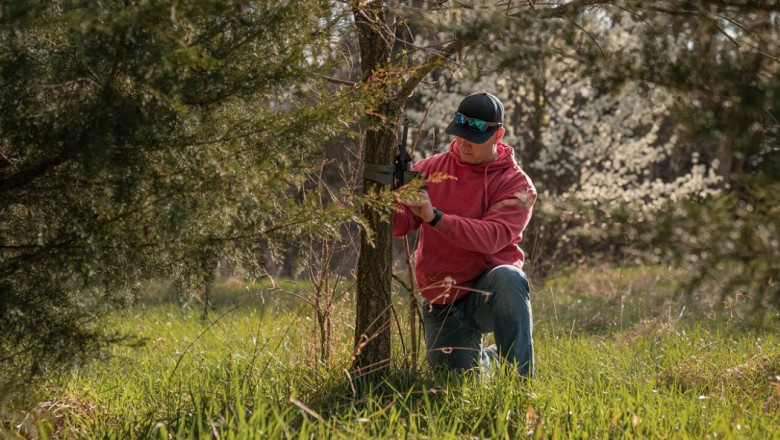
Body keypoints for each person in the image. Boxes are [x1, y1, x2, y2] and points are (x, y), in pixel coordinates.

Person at [393, 92, 537, 377]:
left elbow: (492, 237)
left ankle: (520, 382)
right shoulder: (428, 170)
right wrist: (388, 197)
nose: (463, 142)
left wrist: (435, 217)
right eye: (459, 134)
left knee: (510, 277)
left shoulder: (517, 185)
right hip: (442, 299)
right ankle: (488, 359)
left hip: (488, 292)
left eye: (474, 138)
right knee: (454, 383)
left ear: (498, 135)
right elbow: (401, 225)